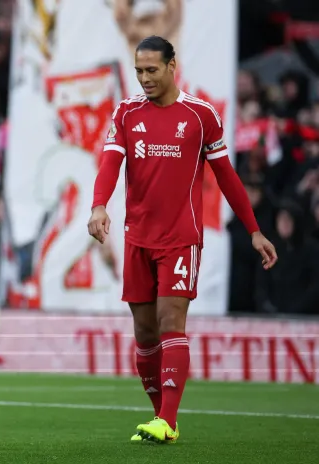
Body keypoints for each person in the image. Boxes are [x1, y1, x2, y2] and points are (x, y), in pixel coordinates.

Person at [87, 36, 278, 444]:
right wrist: (99, 206)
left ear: (173, 66)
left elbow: (227, 176)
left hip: (180, 238)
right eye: (139, 71)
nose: (144, 79)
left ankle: (168, 419)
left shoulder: (200, 115)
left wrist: (254, 230)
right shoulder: (126, 112)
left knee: (170, 321)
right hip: (137, 238)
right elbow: (110, 163)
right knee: (144, 333)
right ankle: (162, 420)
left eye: (152, 70)